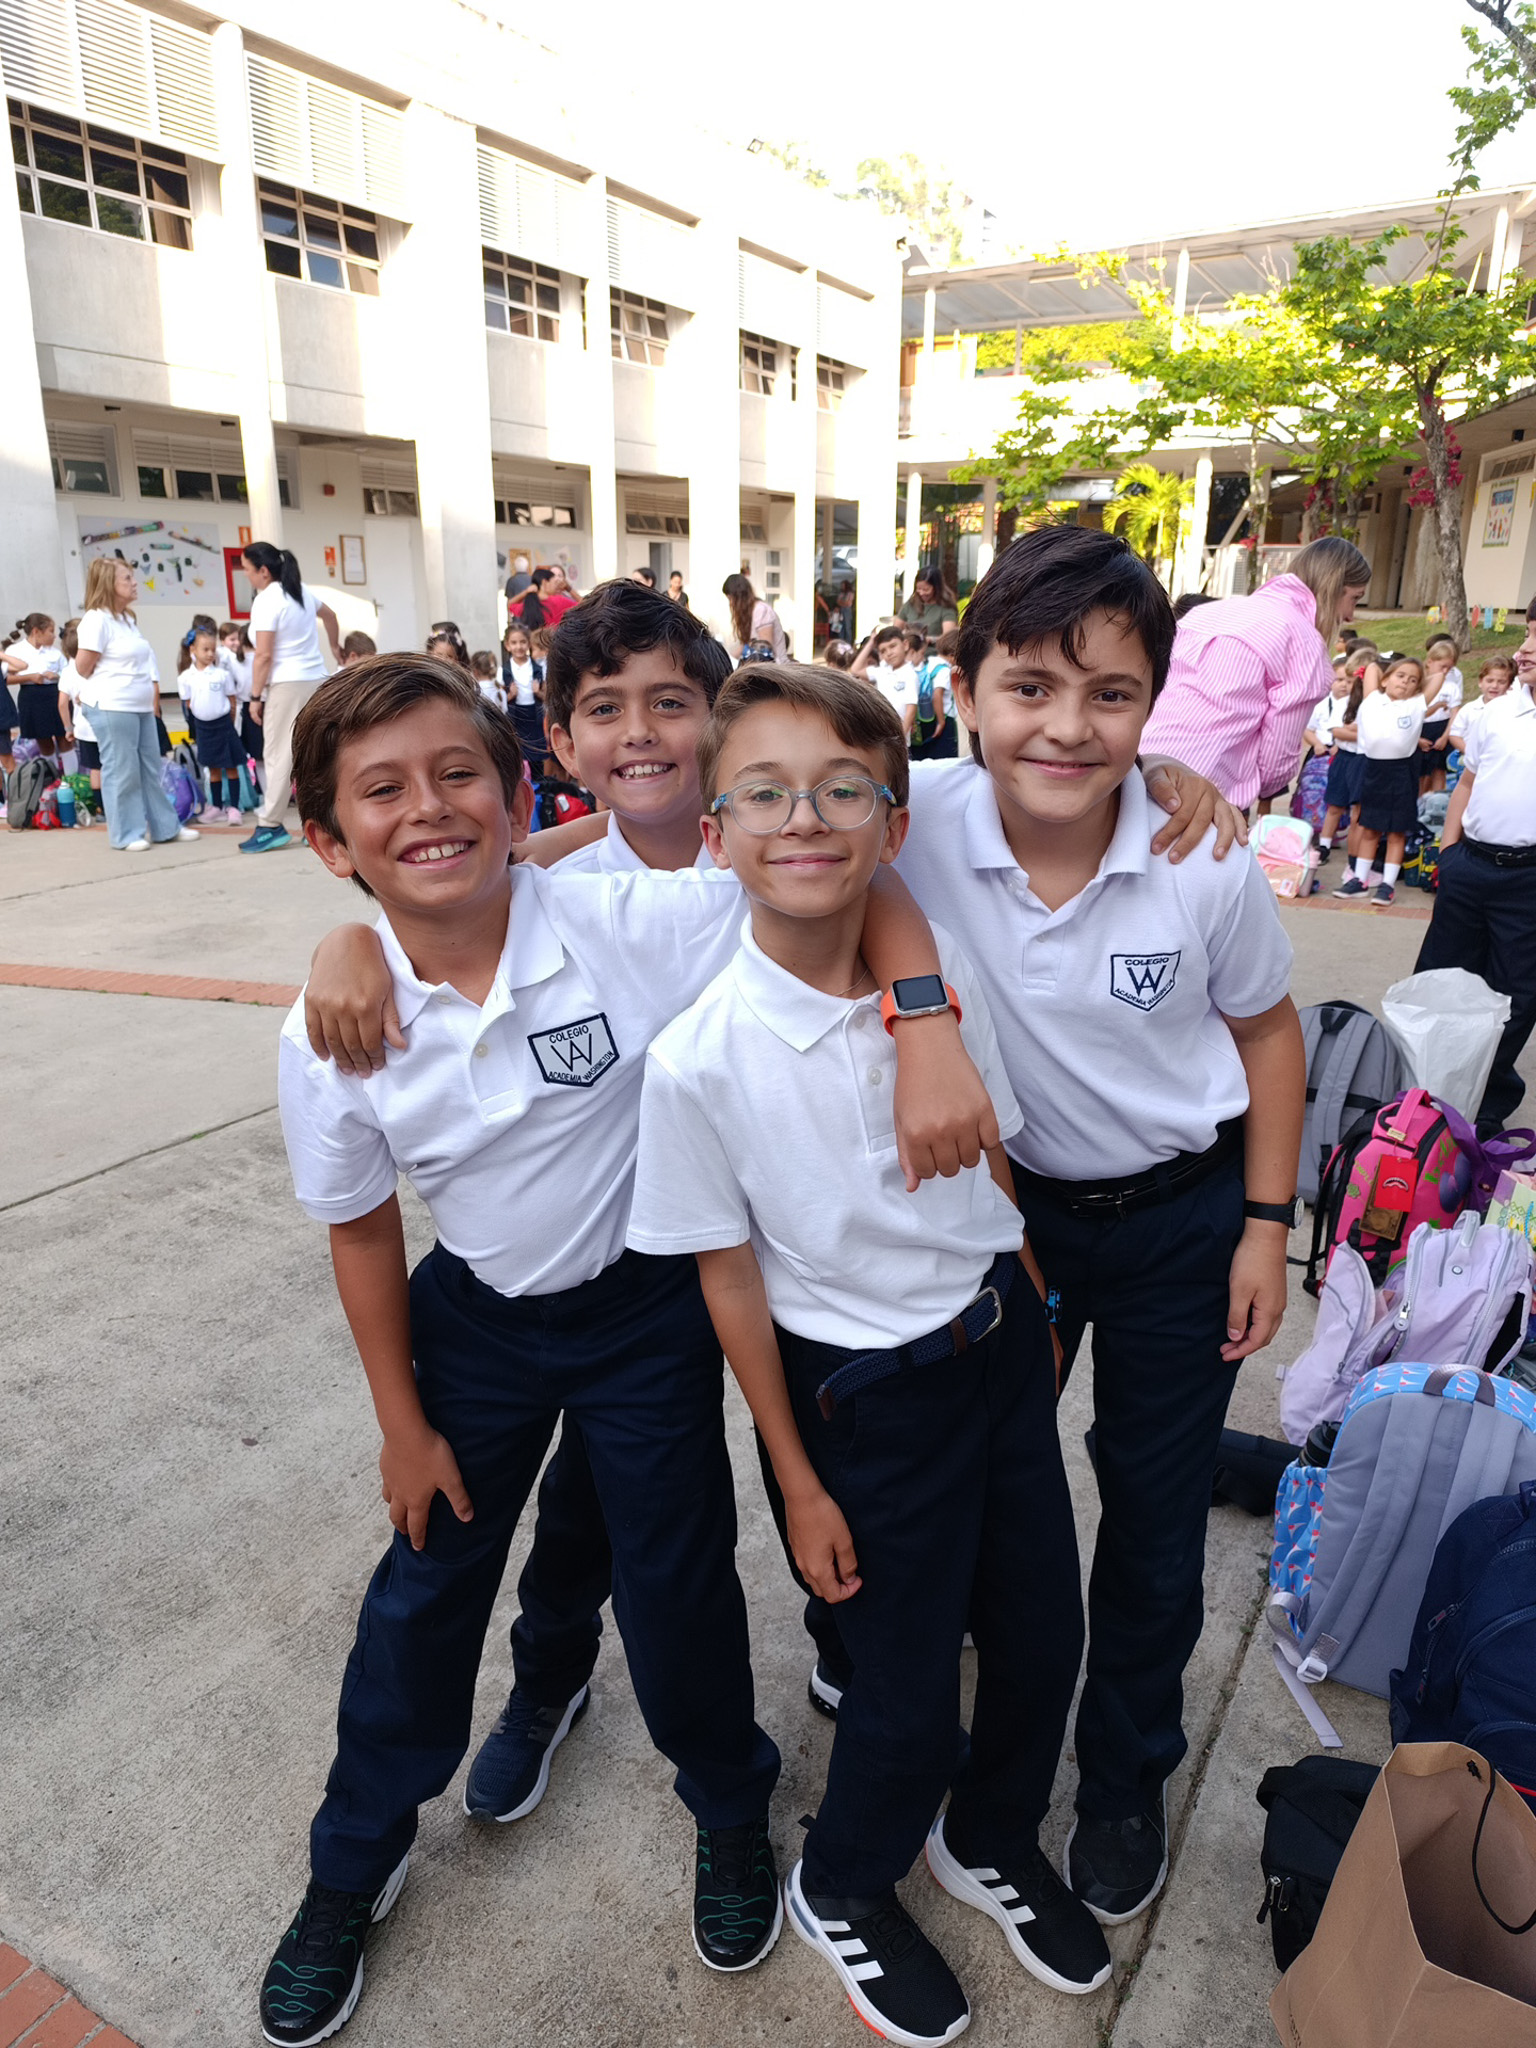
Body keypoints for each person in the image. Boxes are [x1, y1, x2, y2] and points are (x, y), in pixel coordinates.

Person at [627, 664, 1109, 2044]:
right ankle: (841, 1878)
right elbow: (728, 1275)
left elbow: (995, 1159)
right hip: (866, 1401)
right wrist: (798, 1482)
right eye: (765, 794)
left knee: (1041, 1635)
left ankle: (990, 1835)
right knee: (902, 1693)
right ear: (715, 832)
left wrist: (1030, 1304)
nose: (806, 819)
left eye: (845, 790)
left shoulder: (937, 996)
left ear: (892, 824)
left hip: (996, 1349)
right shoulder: (700, 1060)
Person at [891, 526, 1302, 1931]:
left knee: (1153, 1516)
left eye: (1111, 695)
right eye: (1031, 687)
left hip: (1183, 1223)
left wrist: (1266, 1228)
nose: (1068, 727)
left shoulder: (1200, 859)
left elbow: (1269, 1034)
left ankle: (1125, 1773)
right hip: (1010, 1226)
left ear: (1152, 708)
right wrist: (370, 915)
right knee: (986, 1495)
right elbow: (702, 814)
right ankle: (966, 1722)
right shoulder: (910, 817)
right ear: (962, 689)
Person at [1415, 612, 1536, 1134]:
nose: (1524, 649)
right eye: (1527, 633)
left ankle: (1485, 1105)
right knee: (1439, 978)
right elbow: (1467, 782)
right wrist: (1449, 853)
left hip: (1527, 881)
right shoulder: (1497, 711)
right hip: (1470, 867)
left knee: (1517, 995)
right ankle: (1422, 1091)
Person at [1140, 537, 1372, 810]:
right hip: (1203, 788)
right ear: (1334, 588)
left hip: (1137, 764)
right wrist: (1269, 786)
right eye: (1354, 598)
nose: (1350, 615)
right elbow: (1279, 751)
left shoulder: (1209, 612)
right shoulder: (1302, 639)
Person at [74, 558, 198, 853]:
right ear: (109, 584)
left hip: (139, 706)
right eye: (127, 578)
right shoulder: (96, 620)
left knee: (150, 768)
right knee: (122, 771)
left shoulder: (126, 619)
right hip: (112, 705)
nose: (134, 583)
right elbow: (82, 667)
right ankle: (126, 834)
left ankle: (165, 827)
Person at [242, 541, 341, 855]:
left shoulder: (267, 599)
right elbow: (331, 615)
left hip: (287, 684)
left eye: (247, 569)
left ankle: (271, 825)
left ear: (263, 571)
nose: (246, 576)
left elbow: (263, 655)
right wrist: (334, 647)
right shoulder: (300, 591)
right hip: (316, 679)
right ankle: (319, 822)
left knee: (280, 755)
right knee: (312, 754)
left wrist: (255, 696)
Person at [1331, 655, 1427, 907]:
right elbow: (1373, 667)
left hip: (1402, 772)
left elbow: (1437, 677)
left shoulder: (1415, 705)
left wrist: (1420, 678)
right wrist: (1385, 661)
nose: (1405, 682)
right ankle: (1359, 880)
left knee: (1396, 831)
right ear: (1384, 680)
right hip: (1373, 770)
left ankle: (1387, 885)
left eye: (1413, 680)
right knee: (1370, 828)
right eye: (1400, 676)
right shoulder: (1373, 700)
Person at [183, 625, 246, 825]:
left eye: (213, 650)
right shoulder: (186, 678)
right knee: (214, 769)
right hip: (203, 728)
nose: (210, 654)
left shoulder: (222, 675)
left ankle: (234, 808)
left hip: (224, 726)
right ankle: (217, 807)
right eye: (205, 649)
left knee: (231, 766)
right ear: (193, 649)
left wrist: (230, 722)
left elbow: (231, 700)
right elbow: (189, 703)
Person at [1307, 654, 1356, 864]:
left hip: (1344, 752)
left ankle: (1348, 845)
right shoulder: (1322, 704)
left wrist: (1340, 742)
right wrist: (1318, 744)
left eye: (1349, 681)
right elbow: (1310, 729)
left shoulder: (1357, 703)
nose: (1344, 685)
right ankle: (1321, 841)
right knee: (1328, 800)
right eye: (1340, 679)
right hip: (1323, 753)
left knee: (1350, 805)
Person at [4, 613, 68, 766]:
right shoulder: (15, 651)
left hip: (55, 694)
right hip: (31, 696)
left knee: (65, 737)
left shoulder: (54, 652)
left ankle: (72, 776)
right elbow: (5, 679)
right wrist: (29, 677)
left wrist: (56, 675)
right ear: (36, 631)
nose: (54, 636)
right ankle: (52, 774)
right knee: (44, 740)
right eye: (50, 631)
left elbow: (69, 673)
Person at [58, 621, 102, 819]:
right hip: (103, 724)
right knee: (112, 767)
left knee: (95, 769)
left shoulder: (67, 672)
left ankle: (101, 808)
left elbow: (62, 703)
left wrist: (68, 727)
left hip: (83, 728)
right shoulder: (97, 667)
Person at [853, 623, 918, 741]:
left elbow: (911, 709)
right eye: (883, 651)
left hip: (898, 736)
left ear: (905, 645)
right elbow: (855, 670)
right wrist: (871, 643)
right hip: (881, 733)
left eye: (893, 646)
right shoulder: (882, 671)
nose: (889, 653)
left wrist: (902, 737)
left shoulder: (910, 674)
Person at [1420, 633, 1464, 793]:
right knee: (1420, 773)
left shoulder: (1451, 686)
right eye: (1442, 666)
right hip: (1421, 729)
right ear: (1430, 662)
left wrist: (1445, 737)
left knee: (1439, 769)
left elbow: (1455, 712)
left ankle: (1436, 800)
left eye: (1449, 668)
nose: (1445, 671)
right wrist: (1417, 738)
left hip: (1442, 729)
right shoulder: (1419, 684)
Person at [1448, 653, 1515, 756]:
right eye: (1489, 681)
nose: (1494, 686)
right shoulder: (1469, 710)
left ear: (1509, 685)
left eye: (1501, 682)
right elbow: (1454, 735)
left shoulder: (1512, 710)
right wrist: (1471, 754)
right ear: (1480, 682)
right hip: (1472, 759)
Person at [908, 623, 959, 761]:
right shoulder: (944, 670)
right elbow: (937, 694)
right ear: (953, 655)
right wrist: (941, 722)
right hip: (943, 717)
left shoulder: (929, 663)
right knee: (944, 759)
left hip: (927, 717)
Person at [501, 622, 547, 770]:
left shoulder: (538, 668)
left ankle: (538, 781)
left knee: (537, 755)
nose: (519, 646)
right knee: (519, 754)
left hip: (534, 714)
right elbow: (498, 700)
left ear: (528, 644)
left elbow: (547, 697)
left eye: (522, 642)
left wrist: (538, 692)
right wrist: (510, 695)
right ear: (507, 645)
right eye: (514, 643)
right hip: (516, 715)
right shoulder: (504, 670)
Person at [722, 573, 786, 662]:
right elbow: (743, 646)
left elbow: (765, 649)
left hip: (775, 666)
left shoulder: (761, 610)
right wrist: (726, 659)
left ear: (739, 596)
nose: (731, 603)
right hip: (760, 664)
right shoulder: (748, 613)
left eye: (730, 599)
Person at [899, 571, 959, 647]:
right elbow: (896, 628)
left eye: (926, 589)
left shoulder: (947, 608)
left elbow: (948, 638)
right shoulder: (910, 604)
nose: (921, 593)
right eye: (919, 589)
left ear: (936, 588)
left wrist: (930, 639)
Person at [515, 566, 579, 632]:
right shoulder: (560, 601)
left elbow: (511, 605)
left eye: (559, 576)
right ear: (545, 582)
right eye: (554, 581)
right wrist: (569, 589)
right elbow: (584, 605)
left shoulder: (529, 603)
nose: (557, 582)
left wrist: (526, 592)